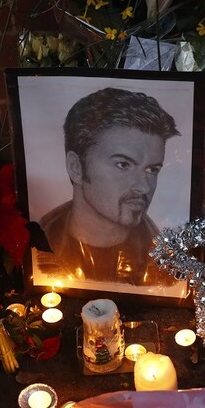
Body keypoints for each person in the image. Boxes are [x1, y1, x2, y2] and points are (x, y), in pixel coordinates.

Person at [36, 87, 180, 286]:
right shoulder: (37, 249)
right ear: (76, 167)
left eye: (152, 170)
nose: (144, 187)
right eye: (123, 165)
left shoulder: (166, 270)